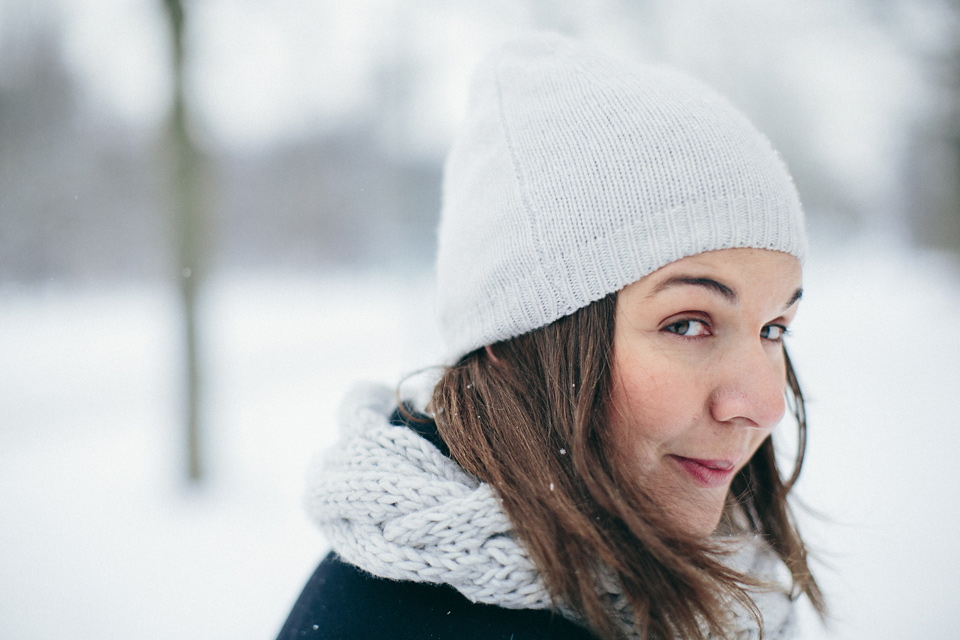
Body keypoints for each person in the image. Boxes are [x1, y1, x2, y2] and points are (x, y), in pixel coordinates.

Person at [278, 32, 826, 640]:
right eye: (689, 324)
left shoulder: (728, 573)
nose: (765, 404)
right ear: (514, 341)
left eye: (773, 328)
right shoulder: (404, 623)